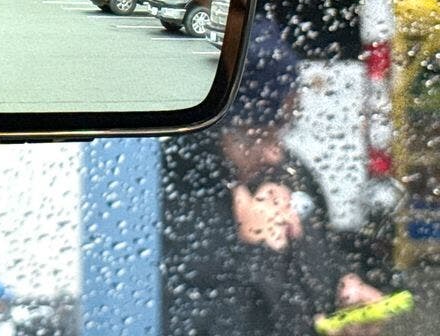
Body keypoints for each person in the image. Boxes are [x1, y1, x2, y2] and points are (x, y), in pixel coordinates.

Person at [163, 17, 384, 336]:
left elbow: (322, 246)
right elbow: (195, 318)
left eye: (281, 129)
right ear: (214, 128)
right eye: (258, 134)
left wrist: (345, 285)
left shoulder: (285, 170)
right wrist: (254, 247)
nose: (275, 153)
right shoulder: (176, 193)